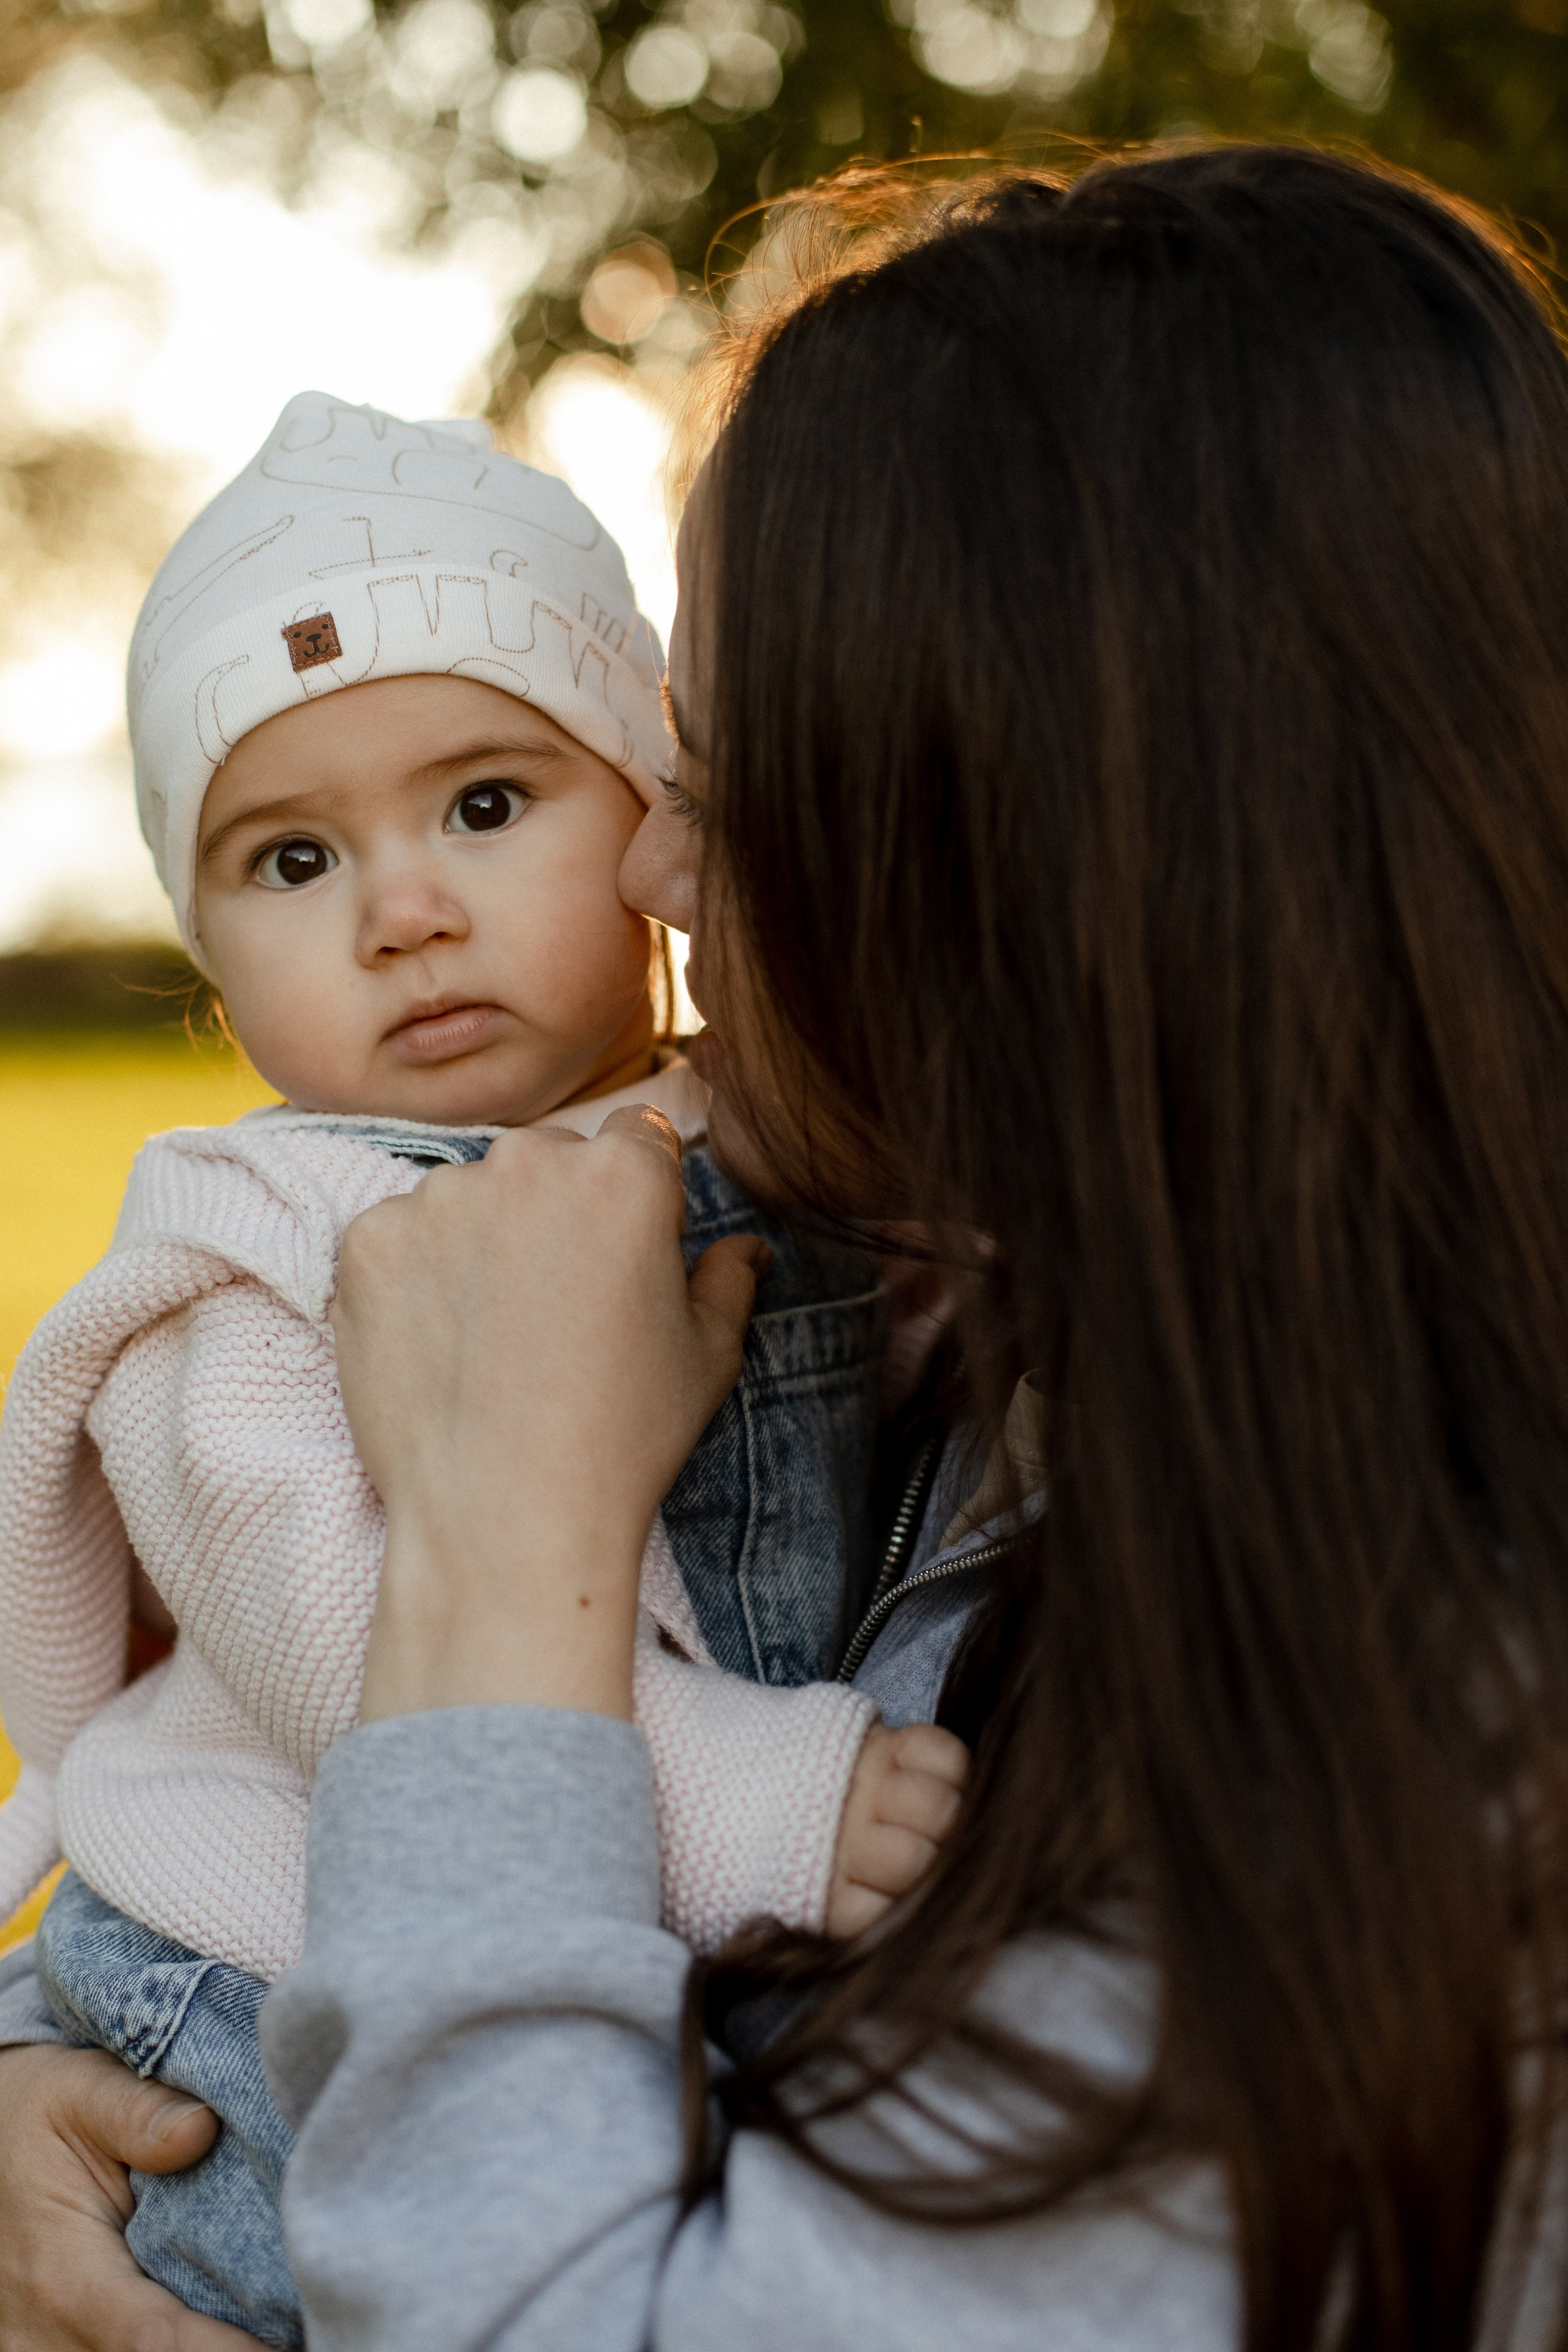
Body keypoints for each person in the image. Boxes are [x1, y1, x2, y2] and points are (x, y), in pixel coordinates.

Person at [4, 133, 1568, 2350]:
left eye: (721, 790)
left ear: (1030, 882)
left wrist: (511, 1540)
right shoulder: (1115, 1384)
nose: (648, 872)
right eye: (287, 854)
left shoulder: (1419, 1772)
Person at [0, 394, 965, 2346]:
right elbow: (341, 1641)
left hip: (587, 1987)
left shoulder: (764, 1146)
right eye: (290, 859)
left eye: (488, 805)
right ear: (207, 949)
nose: (406, 910)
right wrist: (762, 1800)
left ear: (651, 809)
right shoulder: (256, 1253)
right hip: (265, 1999)